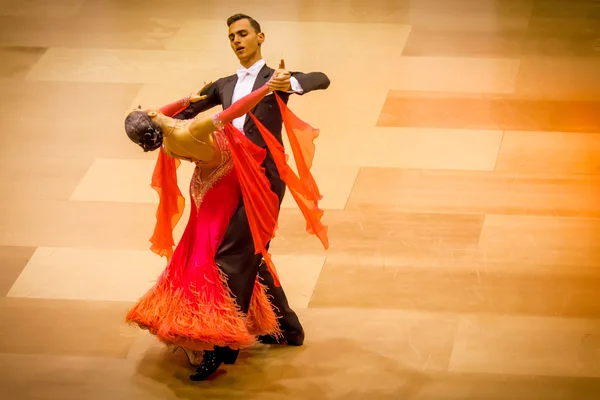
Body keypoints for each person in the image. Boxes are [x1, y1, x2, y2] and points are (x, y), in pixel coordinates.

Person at [124, 76, 328, 381]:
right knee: (211, 260)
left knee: (197, 251)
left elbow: (161, 114)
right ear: (152, 115)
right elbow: (232, 113)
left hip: (202, 189)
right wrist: (265, 90)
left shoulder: (167, 143)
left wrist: (187, 100)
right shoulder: (191, 128)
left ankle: (222, 330)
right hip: (226, 186)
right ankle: (211, 340)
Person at [173, 13, 330, 358]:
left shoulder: (275, 79)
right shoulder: (224, 84)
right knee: (252, 255)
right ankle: (288, 328)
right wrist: (158, 121)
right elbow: (185, 113)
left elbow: (322, 78)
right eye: (232, 37)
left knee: (231, 255)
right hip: (230, 178)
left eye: (243, 34)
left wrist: (290, 82)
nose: (237, 40)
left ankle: (225, 341)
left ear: (261, 38)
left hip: (264, 181)